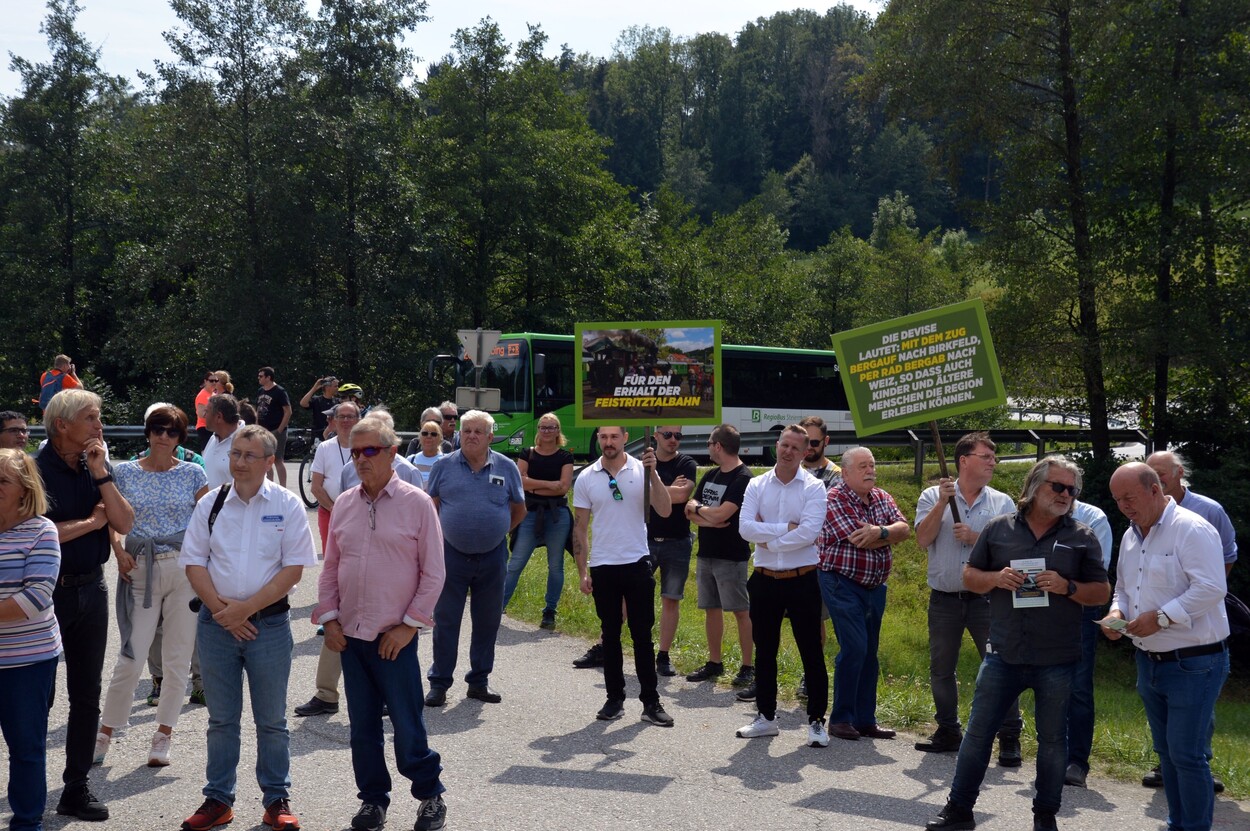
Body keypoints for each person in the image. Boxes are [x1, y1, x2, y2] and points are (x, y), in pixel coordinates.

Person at [926, 456, 1109, 831]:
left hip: (1057, 658)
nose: (1065, 495)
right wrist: (996, 578)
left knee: (1053, 741)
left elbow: (1102, 593)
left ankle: (1045, 816)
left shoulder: (1081, 536)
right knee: (978, 734)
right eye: (1057, 486)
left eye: (1072, 490)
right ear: (1034, 486)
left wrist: (1067, 586)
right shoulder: (998, 529)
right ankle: (959, 810)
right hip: (1004, 653)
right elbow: (970, 575)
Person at [178, 425, 316, 831]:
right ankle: (218, 799)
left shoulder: (288, 505)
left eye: (248, 455)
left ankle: (276, 799)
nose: (238, 462)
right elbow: (194, 562)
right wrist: (224, 611)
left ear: (269, 462)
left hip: (268, 626)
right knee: (221, 719)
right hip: (216, 625)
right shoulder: (211, 504)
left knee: (271, 720)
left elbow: (294, 568)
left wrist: (247, 609)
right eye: (235, 454)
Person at [314, 418, 449, 831]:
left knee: (408, 727)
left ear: (392, 453)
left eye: (369, 450)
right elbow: (330, 567)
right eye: (355, 452)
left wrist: (409, 626)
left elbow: (434, 573)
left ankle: (430, 796)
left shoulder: (417, 502)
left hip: (395, 637)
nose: (360, 459)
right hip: (350, 637)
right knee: (363, 731)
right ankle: (373, 801)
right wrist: (329, 619)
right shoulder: (346, 504)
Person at [1102, 463, 1228, 831]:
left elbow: (1211, 588)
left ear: (1155, 490)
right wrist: (1116, 611)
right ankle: (1178, 823)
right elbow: (1123, 586)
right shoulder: (1130, 536)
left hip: (1195, 662)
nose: (1124, 506)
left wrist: (1160, 617)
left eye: (1130, 497)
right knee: (1168, 755)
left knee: (1187, 756)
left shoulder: (1191, 529)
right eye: (1117, 499)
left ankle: (1193, 827)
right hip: (1150, 660)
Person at [37, 388, 135, 822]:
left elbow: (126, 522)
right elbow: (41, 535)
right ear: (62, 425)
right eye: (92, 418)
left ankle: (76, 786)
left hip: (91, 589)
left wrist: (101, 475)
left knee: (86, 693)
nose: (100, 426)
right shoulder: (33, 470)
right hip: (44, 593)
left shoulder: (97, 464)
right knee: (40, 693)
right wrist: (93, 523)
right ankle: (28, 782)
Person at [96, 405, 208, 768]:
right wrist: (117, 550)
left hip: (182, 570)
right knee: (131, 655)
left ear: (180, 438)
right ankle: (105, 732)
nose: (163, 436)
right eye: (158, 429)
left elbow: (209, 519)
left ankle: (163, 734)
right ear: (147, 433)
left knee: (177, 658)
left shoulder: (193, 472)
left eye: (172, 431)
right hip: (140, 567)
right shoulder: (124, 472)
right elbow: (110, 516)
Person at [913, 432, 1022, 760]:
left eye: (994, 457)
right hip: (945, 600)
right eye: (985, 456)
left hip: (989, 601)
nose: (993, 462)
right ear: (963, 461)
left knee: (1002, 666)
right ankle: (948, 730)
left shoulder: (1002, 503)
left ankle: (1009, 736)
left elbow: (1015, 553)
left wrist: (977, 537)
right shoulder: (933, 495)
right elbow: (921, 539)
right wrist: (943, 504)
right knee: (941, 669)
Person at [1141, 449, 1235, 792]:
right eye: (1150, 474)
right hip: (1156, 631)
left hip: (1198, 626)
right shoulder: (1142, 510)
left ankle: (1200, 765)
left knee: (1197, 703)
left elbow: (1225, 561)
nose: (1156, 480)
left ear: (1179, 473)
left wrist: (1196, 600)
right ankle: (1168, 765)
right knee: (1165, 703)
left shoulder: (1208, 511)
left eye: (1161, 474)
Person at [572, 425, 675, 727]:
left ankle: (650, 701)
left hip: (637, 562)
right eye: (603, 437)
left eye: (614, 437)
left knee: (642, 637)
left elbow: (666, 510)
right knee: (611, 635)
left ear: (625, 438)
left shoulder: (641, 469)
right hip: (603, 565)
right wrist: (582, 571)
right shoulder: (588, 476)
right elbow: (579, 527)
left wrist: (654, 473)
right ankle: (614, 699)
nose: (608, 442)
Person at [734, 425, 829, 745]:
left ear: (805, 453)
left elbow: (809, 533)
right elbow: (745, 528)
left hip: (803, 579)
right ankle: (766, 717)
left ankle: (816, 721)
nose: (788, 451)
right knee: (765, 651)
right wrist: (782, 528)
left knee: (811, 652)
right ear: (777, 445)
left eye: (795, 448)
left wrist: (770, 541)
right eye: (783, 445)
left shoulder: (814, 488)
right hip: (764, 581)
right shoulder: (756, 485)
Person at [423, 410, 525, 707]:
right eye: (466, 430)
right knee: (446, 620)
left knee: (487, 621)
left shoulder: (506, 467)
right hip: (451, 555)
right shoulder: (444, 466)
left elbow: (519, 508)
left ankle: (479, 681)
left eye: (478, 431)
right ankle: (439, 683)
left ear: (490, 437)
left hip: (493, 557)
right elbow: (432, 505)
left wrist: (497, 532)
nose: (471, 436)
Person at [818, 446, 910, 742]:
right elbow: (860, 540)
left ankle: (865, 719)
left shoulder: (882, 497)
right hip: (841, 582)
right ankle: (841, 719)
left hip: (875, 586)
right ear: (845, 473)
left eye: (872, 465)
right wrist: (886, 534)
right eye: (862, 466)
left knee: (870, 651)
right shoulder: (834, 498)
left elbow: (904, 529)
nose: (870, 470)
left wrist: (881, 532)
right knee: (855, 647)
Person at [0, 449, 63, 831]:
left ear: (25, 489)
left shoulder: (41, 530)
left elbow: (37, 597)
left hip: (28, 661)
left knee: (25, 748)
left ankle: (26, 823)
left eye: (2, 481)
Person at [292, 401, 362, 719]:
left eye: (352, 417)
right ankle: (326, 692)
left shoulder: (370, 448)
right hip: (332, 515)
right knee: (335, 577)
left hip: (367, 526)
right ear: (332, 421)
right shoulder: (325, 448)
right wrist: (339, 511)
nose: (346, 421)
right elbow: (317, 486)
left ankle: (379, 691)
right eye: (341, 417)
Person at [683, 424, 753, 687]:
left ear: (718, 446)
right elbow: (689, 512)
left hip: (731, 556)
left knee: (740, 611)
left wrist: (702, 512)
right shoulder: (711, 474)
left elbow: (725, 514)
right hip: (706, 553)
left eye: (710, 442)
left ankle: (748, 666)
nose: (708, 447)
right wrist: (708, 517)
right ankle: (715, 662)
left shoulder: (743, 477)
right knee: (711, 609)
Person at [502, 412, 574, 630]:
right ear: (538, 430)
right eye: (543, 427)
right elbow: (519, 482)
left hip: (556, 515)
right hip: (530, 512)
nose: (547, 431)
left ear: (558, 431)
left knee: (555, 566)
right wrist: (549, 485)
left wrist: (532, 484)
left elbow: (563, 487)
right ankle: (497, 606)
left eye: (551, 427)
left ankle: (549, 612)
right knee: (516, 563)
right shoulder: (528, 453)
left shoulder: (565, 456)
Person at [1063, 499, 1113, 788]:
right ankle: (1053, 754)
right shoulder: (1031, 516)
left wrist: (1058, 577)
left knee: (1079, 686)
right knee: (1046, 681)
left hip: (1081, 609)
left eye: (1064, 486)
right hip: (1040, 607)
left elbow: (1097, 572)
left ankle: (1077, 761)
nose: (1058, 492)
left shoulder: (1093, 518)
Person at [647, 425, 696, 673]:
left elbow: (681, 496)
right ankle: (606, 644)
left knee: (671, 599)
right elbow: (632, 494)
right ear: (656, 435)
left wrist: (653, 488)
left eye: (678, 436)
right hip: (644, 540)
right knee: (627, 595)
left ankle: (663, 656)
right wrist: (667, 489)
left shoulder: (687, 463)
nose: (673, 440)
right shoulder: (642, 461)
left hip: (677, 541)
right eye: (668, 435)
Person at [255, 367, 292, 487]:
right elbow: (258, 410)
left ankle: (283, 487)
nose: (259, 378)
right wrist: (256, 426)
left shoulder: (279, 391)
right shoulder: (261, 391)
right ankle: (269, 485)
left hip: (277, 430)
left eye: (261, 376)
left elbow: (288, 411)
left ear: (268, 377)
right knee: (266, 459)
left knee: (278, 459)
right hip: (263, 430)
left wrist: (280, 430)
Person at [202, 394, 244, 491]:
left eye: (206, 412)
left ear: (219, 417)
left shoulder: (248, 442)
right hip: (207, 505)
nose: (204, 415)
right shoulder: (214, 437)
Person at [799, 415, 842, 487]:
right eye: (805, 442)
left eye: (814, 443)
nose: (809, 447)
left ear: (826, 441)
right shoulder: (792, 468)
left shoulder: (836, 475)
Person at [194, 372, 223, 450]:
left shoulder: (213, 394)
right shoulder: (202, 395)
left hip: (213, 427)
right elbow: (200, 414)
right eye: (211, 381)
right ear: (205, 381)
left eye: (216, 381)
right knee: (206, 450)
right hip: (204, 427)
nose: (214, 383)